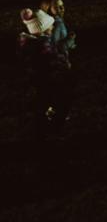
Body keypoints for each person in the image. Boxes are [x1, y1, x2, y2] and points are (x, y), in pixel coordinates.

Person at [19, 8, 73, 138]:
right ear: (43, 29)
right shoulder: (43, 46)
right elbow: (53, 62)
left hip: (38, 84)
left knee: (41, 107)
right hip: (48, 83)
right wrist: (64, 62)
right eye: (50, 25)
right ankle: (50, 132)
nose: (53, 26)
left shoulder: (30, 44)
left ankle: (43, 129)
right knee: (53, 106)